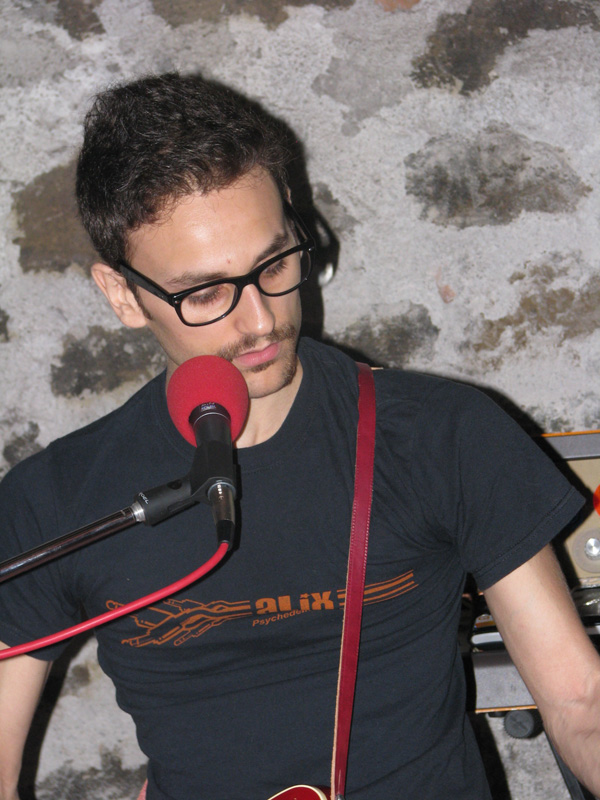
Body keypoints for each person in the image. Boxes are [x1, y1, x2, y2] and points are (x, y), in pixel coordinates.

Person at [0, 72, 599, 800]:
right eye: (205, 293)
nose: (260, 320)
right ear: (123, 295)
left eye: (276, 262)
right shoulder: (57, 500)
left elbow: (580, 703)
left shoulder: (444, 436)